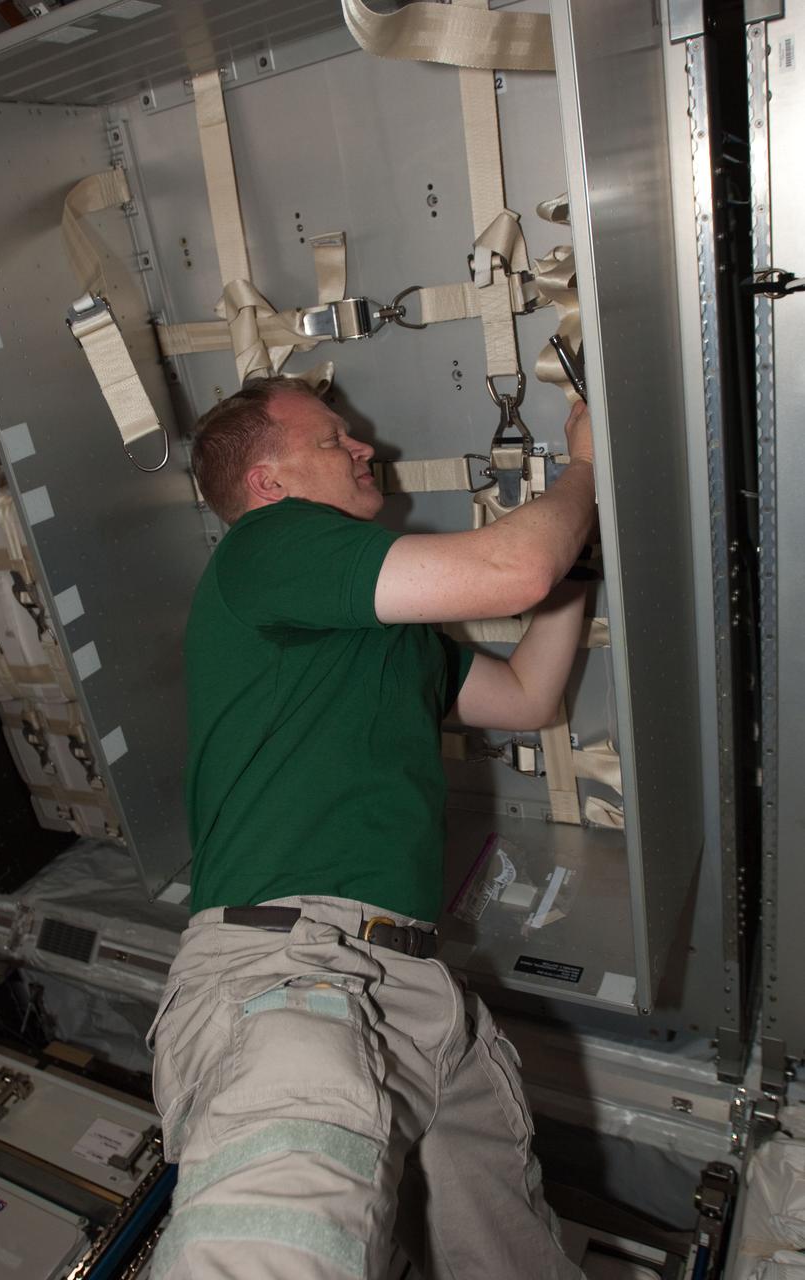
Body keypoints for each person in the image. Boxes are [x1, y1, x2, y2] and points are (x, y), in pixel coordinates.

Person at [147, 376, 596, 1280]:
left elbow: (526, 696)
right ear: (269, 483)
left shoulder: (384, 632)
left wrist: (584, 544)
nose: (366, 450)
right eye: (334, 441)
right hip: (290, 972)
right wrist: (588, 466)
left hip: (415, 996)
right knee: (274, 1257)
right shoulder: (266, 546)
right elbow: (516, 571)